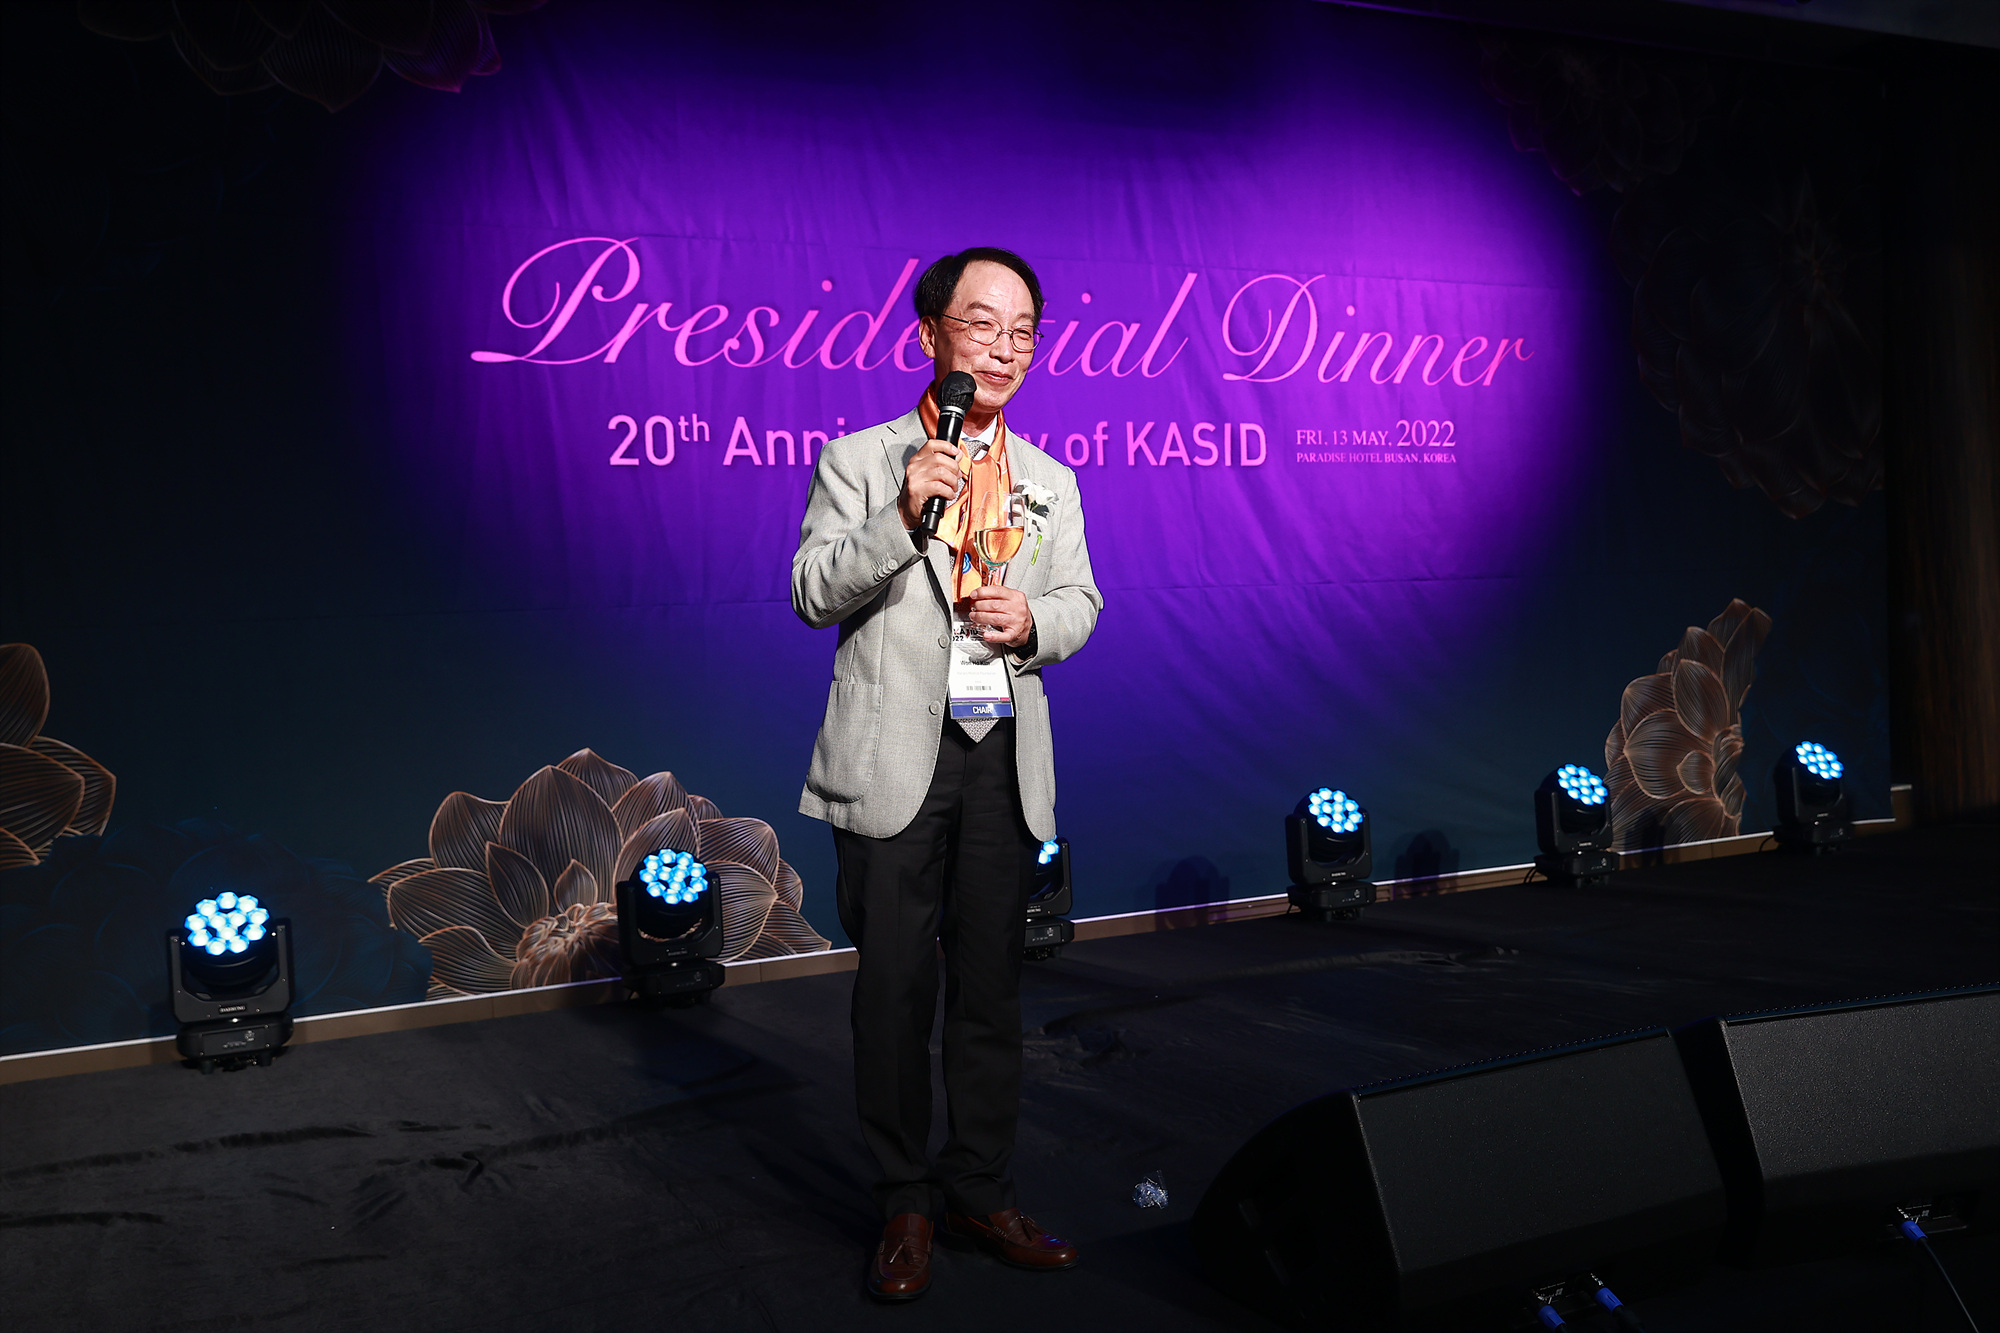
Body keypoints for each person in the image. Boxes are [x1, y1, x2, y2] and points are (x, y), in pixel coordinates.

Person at [791, 247, 1103, 1301]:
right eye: (982, 325)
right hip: (895, 756)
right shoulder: (861, 459)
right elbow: (811, 590)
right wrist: (897, 517)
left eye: (1023, 332)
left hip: (1001, 756)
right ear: (930, 335)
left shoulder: (1051, 479)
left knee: (990, 988)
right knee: (892, 990)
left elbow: (1081, 602)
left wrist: (1034, 621)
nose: (1004, 349)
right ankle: (905, 1201)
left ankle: (978, 1187)